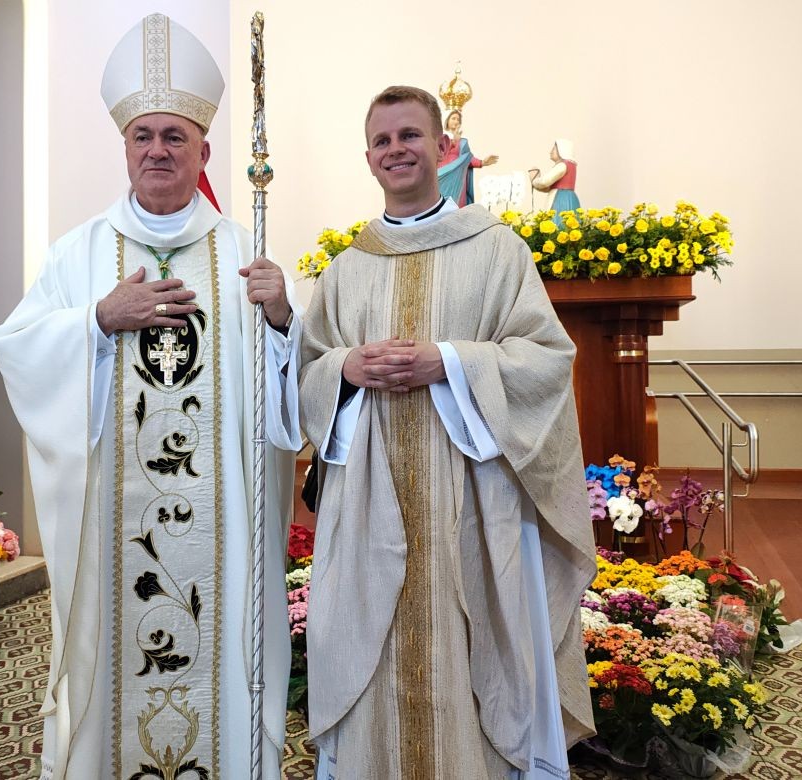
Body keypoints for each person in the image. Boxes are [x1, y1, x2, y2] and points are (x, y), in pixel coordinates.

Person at [0, 14, 303, 780]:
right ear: (125, 147)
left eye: (174, 136)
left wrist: (282, 320)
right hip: (114, 536)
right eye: (143, 137)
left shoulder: (245, 255)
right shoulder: (80, 253)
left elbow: (289, 399)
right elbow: (19, 347)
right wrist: (98, 320)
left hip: (223, 543)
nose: (158, 150)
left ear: (203, 151)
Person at [299, 85, 596, 779]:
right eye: (381, 140)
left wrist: (452, 363)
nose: (396, 150)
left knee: (474, 645)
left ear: (442, 147)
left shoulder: (496, 251)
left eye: (410, 135)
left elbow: (547, 358)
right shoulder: (346, 268)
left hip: (473, 501)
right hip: (368, 499)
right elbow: (308, 370)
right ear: (367, 158)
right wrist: (348, 367)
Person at [436, 108, 497, 207]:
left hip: (458, 177)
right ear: (447, 120)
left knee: (457, 207)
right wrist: (452, 142)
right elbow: (437, 152)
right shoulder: (439, 137)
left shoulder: (463, 141)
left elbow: (467, 158)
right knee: (441, 204)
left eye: (458, 119)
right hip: (443, 174)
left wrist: (482, 162)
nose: (456, 121)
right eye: (453, 118)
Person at [529, 139, 580, 225]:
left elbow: (545, 182)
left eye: (554, 149)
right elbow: (547, 187)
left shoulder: (562, 165)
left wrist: (534, 180)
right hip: (568, 197)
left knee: (558, 222)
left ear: (561, 150)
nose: (550, 152)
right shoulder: (570, 165)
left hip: (560, 199)